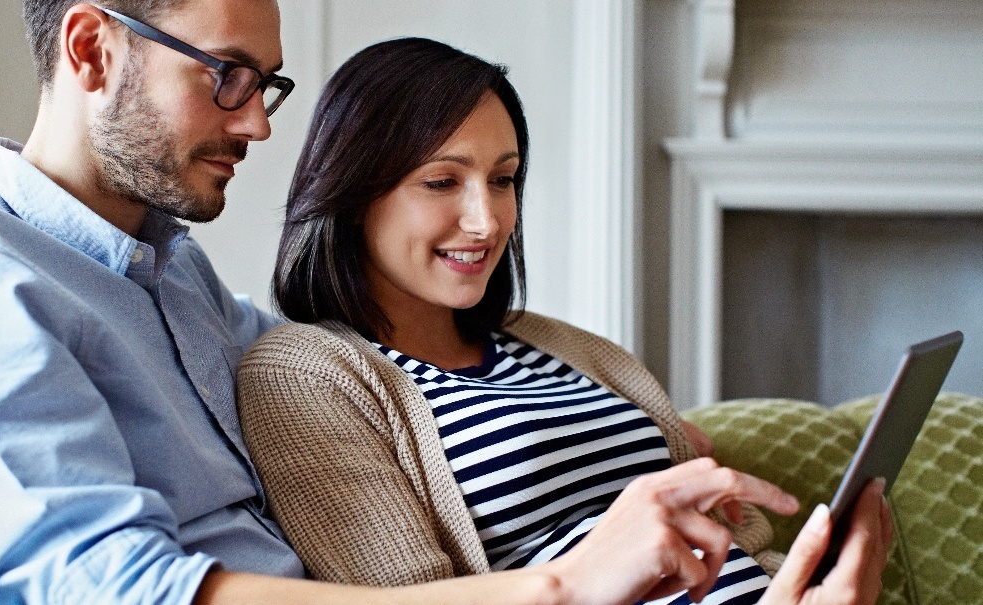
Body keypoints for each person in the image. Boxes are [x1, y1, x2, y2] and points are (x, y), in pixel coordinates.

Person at [0, 0, 889, 603]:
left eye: (268, 84)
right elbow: (130, 595)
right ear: (95, 48)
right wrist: (561, 586)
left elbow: (370, 367)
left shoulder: (173, 276)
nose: (259, 125)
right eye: (227, 75)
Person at [236, 37, 893, 605]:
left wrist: (811, 579)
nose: (487, 220)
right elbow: (402, 595)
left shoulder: (558, 346)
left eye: (503, 179)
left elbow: (738, 541)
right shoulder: (304, 374)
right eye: (441, 182)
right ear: (351, 195)